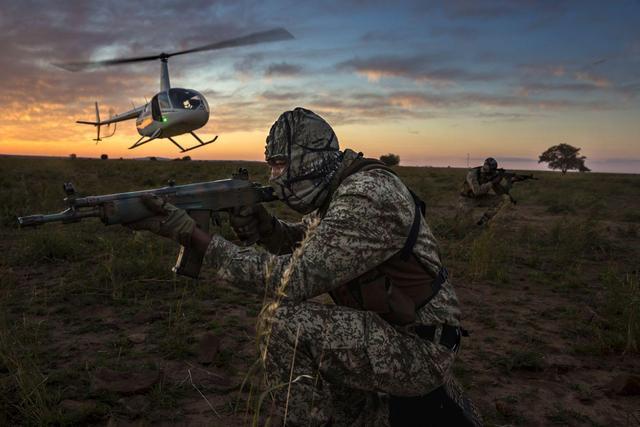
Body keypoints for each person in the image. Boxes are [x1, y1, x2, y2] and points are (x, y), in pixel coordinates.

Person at [128, 107, 481, 426]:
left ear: (308, 159)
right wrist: (267, 228)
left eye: (280, 164)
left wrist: (196, 239)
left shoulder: (366, 195)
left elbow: (290, 280)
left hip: (418, 349)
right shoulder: (342, 187)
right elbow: (314, 244)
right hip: (395, 328)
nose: (274, 177)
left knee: (282, 323)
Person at [458, 157, 513, 226]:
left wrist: (500, 183)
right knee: (466, 224)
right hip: (467, 199)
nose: (492, 172)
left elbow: (499, 193)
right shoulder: (472, 174)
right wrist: (492, 183)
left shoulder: (491, 175)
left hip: (481, 198)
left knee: (501, 201)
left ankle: (483, 222)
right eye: (492, 170)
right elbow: (477, 191)